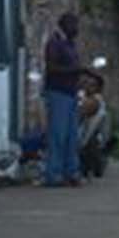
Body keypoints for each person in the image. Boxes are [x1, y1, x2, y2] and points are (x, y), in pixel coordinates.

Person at [42, 12, 85, 188]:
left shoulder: (70, 45)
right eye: (73, 25)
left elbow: (76, 68)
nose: (76, 29)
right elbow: (51, 68)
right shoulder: (54, 43)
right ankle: (53, 174)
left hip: (71, 93)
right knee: (58, 135)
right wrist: (73, 70)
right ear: (64, 25)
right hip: (58, 93)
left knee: (71, 136)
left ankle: (71, 172)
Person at [77, 72, 113, 179]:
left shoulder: (96, 100)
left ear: (98, 88)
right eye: (86, 83)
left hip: (88, 133)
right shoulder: (82, 96)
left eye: (92, 85)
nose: (88, 86)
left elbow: (84, 112)